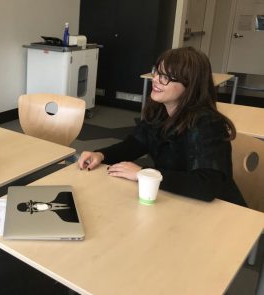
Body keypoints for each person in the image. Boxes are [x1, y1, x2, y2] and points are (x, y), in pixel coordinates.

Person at [77, 47, 246, 207]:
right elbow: (133, 145)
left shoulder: (207, 124)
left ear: (190, 86)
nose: (156, 79)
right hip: (178, 201)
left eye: (165, 77)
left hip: (219, 212)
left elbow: (206, 185)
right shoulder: (159, 111)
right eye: (157, 72)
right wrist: (101, 154)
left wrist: (143, 174)